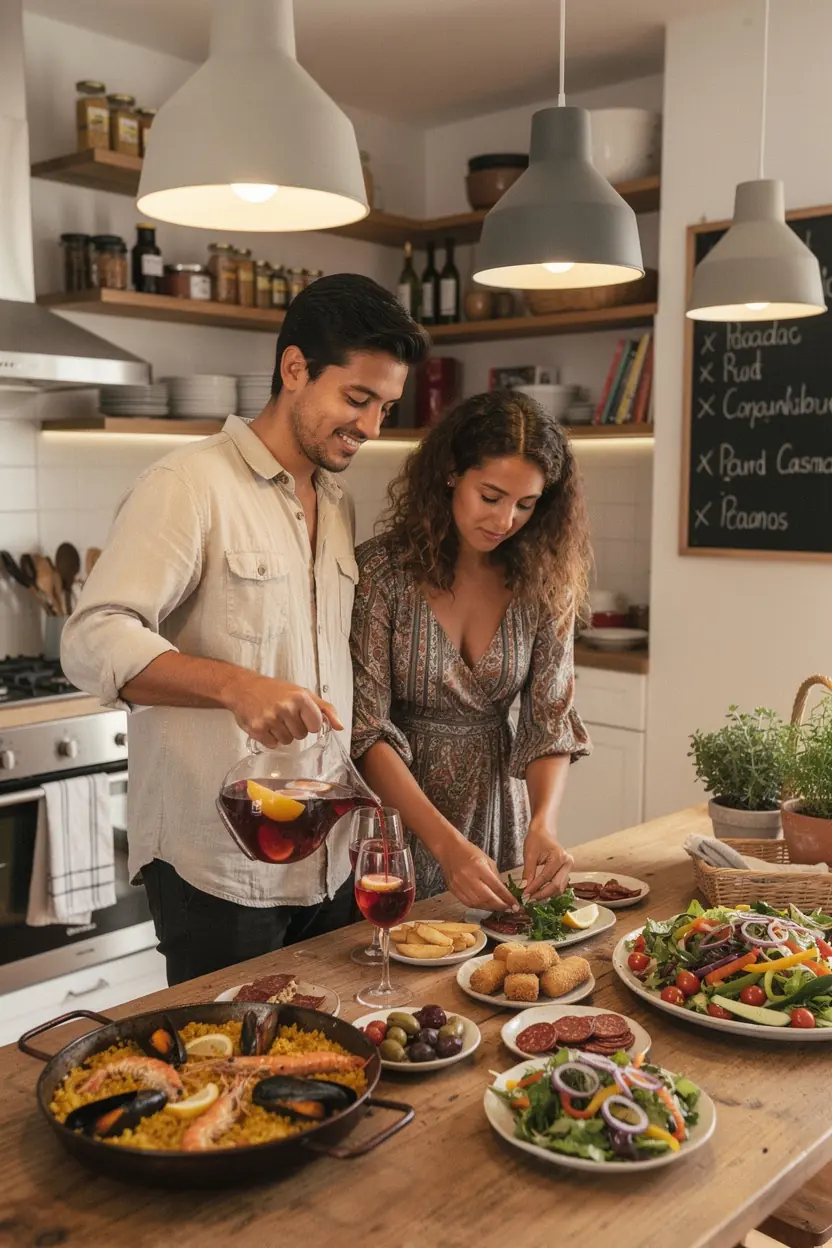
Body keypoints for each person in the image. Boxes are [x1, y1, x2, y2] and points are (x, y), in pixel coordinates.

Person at [61, 273, 429, 985]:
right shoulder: (187, 485)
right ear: (295, 369)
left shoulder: (338, 503)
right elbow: (91, 638)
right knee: (234, 1051)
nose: (373, 427)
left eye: (385, 407)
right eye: (357, 399)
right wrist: (235, 686)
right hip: (219, 869)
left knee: (329, 1042)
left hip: (328, 854)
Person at [350, 389, 592, 911]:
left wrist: (543, 825)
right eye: (491, 496)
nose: (505, 520)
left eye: (525, 504)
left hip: (498, 812)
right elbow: (365, 732)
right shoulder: (380, 574)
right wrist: (446, 847)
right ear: (451, 474)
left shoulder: (545, 583)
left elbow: (550, 722)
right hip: (397, 816)